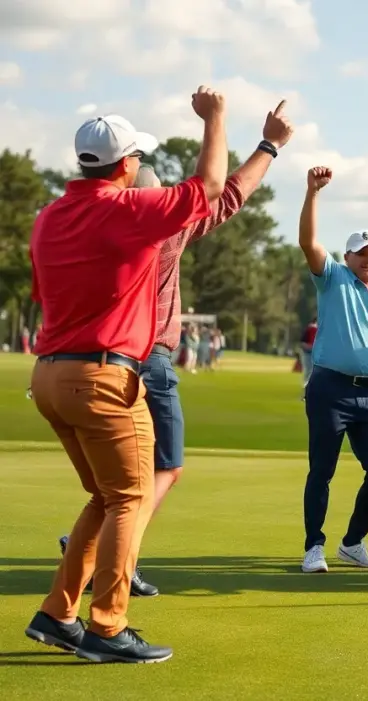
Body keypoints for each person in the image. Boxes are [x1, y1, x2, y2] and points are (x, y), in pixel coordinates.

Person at [24, 86, 229, 663]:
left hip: (49, 377)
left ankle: (57, 614)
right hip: (104, 377)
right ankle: (108, 628)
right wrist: (216, 118)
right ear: (126, 164)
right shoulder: (126, 209)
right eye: (137, 156)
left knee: (102, 495)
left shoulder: (49, 217)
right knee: (131, 498)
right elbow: (211, 189)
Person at [54, 101, 294, 595]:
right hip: (145, 362)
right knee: (162, 469)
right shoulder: (161, 227)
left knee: (110, 488)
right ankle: (111, 563)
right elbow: (225, 194)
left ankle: (92, 556)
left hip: (75, 364)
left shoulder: (69, 219)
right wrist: (268, 146)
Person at [298, 167, 368, 573]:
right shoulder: (334, 279)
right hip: (329, 388)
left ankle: (353, 541)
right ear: (348, 258)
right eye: (363, 252)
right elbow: (308, 242)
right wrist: (313, 193)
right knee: (321, 470)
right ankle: (313, 546)